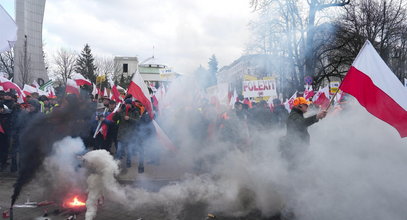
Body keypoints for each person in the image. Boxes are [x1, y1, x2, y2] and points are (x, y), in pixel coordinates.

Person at [280, 97, 327, 162]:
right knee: (296, 169)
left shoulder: (297, 115)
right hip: (295, 151)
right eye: (306, 105)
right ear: (300, 106)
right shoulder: (294, 116)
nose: (307, 107)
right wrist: (317, 116)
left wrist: (317, 117)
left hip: (298, 150)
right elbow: (302, 123)